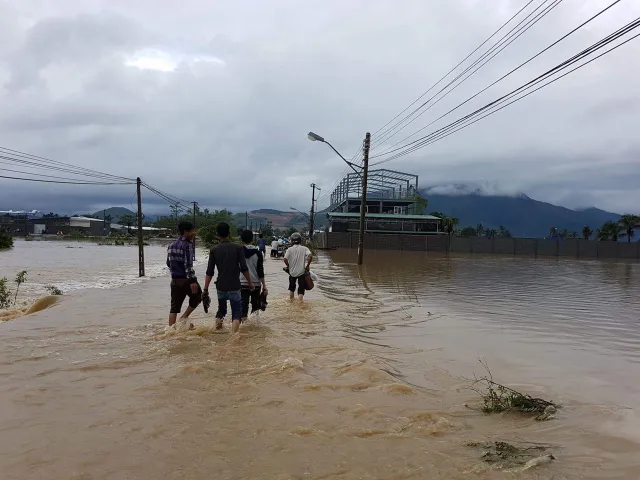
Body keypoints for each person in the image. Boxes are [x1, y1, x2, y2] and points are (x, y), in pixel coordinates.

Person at [203, 222, 253, 333]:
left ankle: (217, 332)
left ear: (217, 235)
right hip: (234, 285)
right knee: (236, 313)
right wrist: (250, 282)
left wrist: (205, 289)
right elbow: (244, 268)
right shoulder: (238, 248)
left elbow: (209, 272)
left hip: (221, 286)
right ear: (229, 233)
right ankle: (233, 339)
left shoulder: (214, 250)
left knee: (221, 311)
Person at [167, 221, 201, 327]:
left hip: (174, 280)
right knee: (198, 296)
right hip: (186, 280)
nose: (194, 233)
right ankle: (184, 317)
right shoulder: (187, 245)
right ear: (186, 232)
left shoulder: (171, 245)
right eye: (192, 231)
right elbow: (188, 265)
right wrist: (192, 281)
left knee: (174, 308)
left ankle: (170, 331)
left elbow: (168, 263)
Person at [239, 229, 267, 321]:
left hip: (242, 283)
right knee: (255, 308)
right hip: (256, 284)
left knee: (243, 308)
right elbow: (260, 271)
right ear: (252, 239)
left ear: (241, 239)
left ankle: (243, 330)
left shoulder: (238, 252)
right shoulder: (258, 253)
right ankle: (254, 329)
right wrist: (264, 286)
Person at [283, 232, 312, 301]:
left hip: (292, 272)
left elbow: (285, 259)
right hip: (301, 273)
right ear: (300, 240)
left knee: (291, 288)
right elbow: (310, 256)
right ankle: (299, 304)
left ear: (292, 241)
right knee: (301, 289)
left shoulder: (289, 249)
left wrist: (289, 266)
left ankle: (291, 301)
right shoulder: (305, 248)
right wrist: (308, 265)